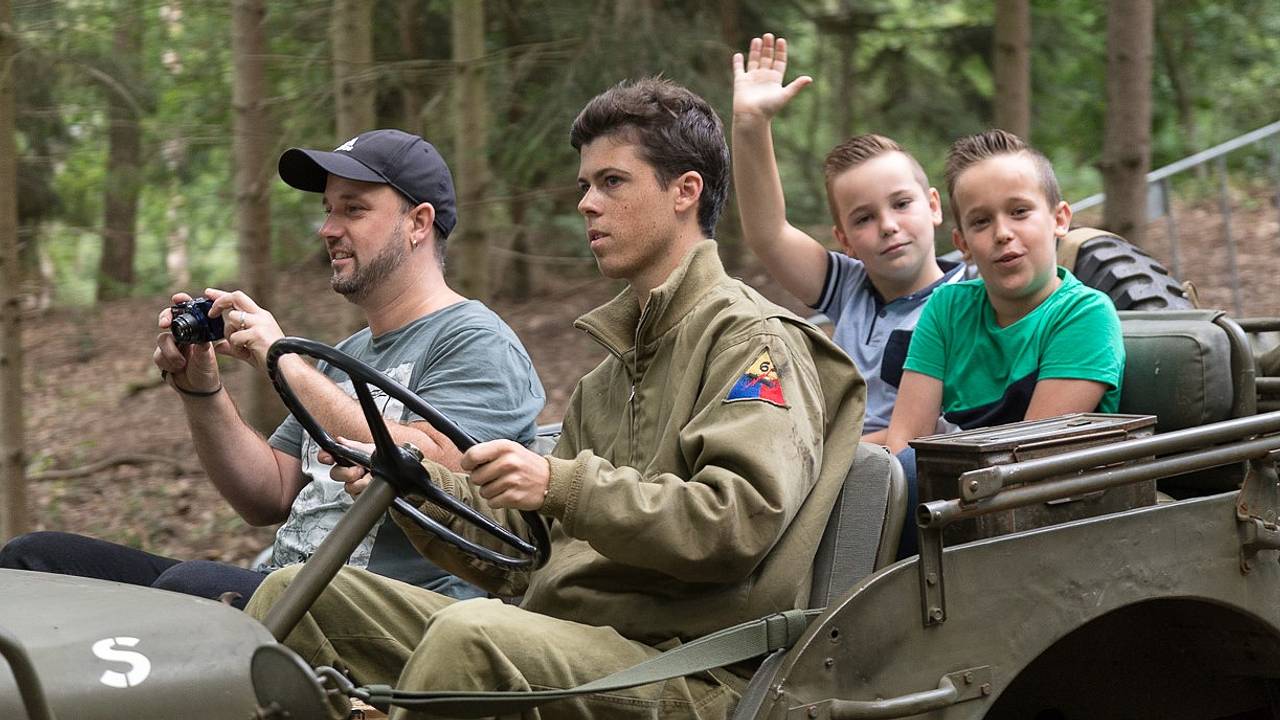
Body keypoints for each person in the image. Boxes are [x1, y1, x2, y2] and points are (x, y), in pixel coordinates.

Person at [246, 78, 866, 720]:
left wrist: (562, 485)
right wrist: (413, 481)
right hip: (572, 638)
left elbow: (732, 523)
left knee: (475, 636)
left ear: (685, 191)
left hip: (690, 667)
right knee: (296, 593)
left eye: (612, 183)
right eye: (583, 187)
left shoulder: (751, 343)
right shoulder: (609, 376)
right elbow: (527, 548)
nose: (587, 205)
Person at [0, 129, 546, 609]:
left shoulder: (476, 340)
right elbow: (268, 495)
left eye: (353, 209)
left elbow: (440, 471)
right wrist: (203, 391)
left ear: (418, 222)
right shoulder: (348, 352)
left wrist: (281, 358)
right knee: (36, 560)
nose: (328, 229)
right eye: (328, 210)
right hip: (280, 586)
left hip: (386, 616)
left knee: (189, 589)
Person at [885, 128, 1125, 555]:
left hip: (1045, 510)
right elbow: (906, 438)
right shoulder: (946, 308)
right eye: (981, 221)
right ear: (962, 244)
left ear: (1060, 219)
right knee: (874, 470)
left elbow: (1027, 458)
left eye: (1019, 211)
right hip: (952, 504)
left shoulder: (1085, 315)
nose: (1002, 233)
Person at [731, 33, 962, 443]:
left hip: (901, 470)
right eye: (864, 218)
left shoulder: (969, 295)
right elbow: (768, 234)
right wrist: (751, 126)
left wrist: (835, 451)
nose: (888, 225)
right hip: (840, 460)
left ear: (934, 206)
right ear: (846, 240)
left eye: (901, 204)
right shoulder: (850, 288)